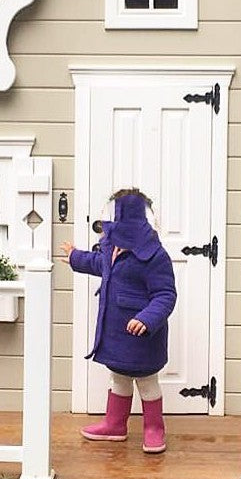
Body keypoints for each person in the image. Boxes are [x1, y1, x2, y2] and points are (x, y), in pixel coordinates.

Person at [60, 188, 177, 453]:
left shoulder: (155, 256)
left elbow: (165, 294)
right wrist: (76, 257)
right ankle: (115, 424)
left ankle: (154, 428)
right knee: (119, 377)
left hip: (143, 336)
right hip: (114, 331)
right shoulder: (111, 247)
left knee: (147, 381)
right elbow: (99, 264)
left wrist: (147, 318)